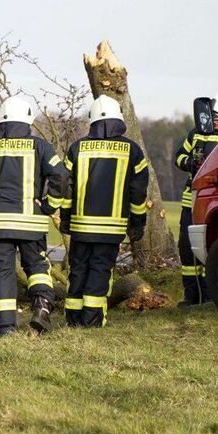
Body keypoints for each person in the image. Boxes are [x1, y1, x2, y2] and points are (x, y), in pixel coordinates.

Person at [0, 96, 68, 336]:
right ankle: (42, 307)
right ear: (28, 119)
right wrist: (50, 206)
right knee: (38, 266)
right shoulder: (40, 146)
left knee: (2, 273)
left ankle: (6, 328)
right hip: (31, 221)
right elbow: (60, 175)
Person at [59, 95, 148, 327]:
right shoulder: (133, 150)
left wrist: (66, 218)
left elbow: (65, 189)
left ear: (93, 120)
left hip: (80, 225)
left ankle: (73, 320)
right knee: (100, 271)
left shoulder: (77, 148)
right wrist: (137, 222)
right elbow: (138, 193)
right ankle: (92, 320)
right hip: (111, 227)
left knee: (77, 270)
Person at [174, 90, 218, 306]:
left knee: (211, 247)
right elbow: (179, 156)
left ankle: (210, 294)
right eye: (214, 117)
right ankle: (191, 296)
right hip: (189, 201)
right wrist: (189, 163)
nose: (216, 122)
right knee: (186, 249)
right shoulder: (196, 133)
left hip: (214, 201)